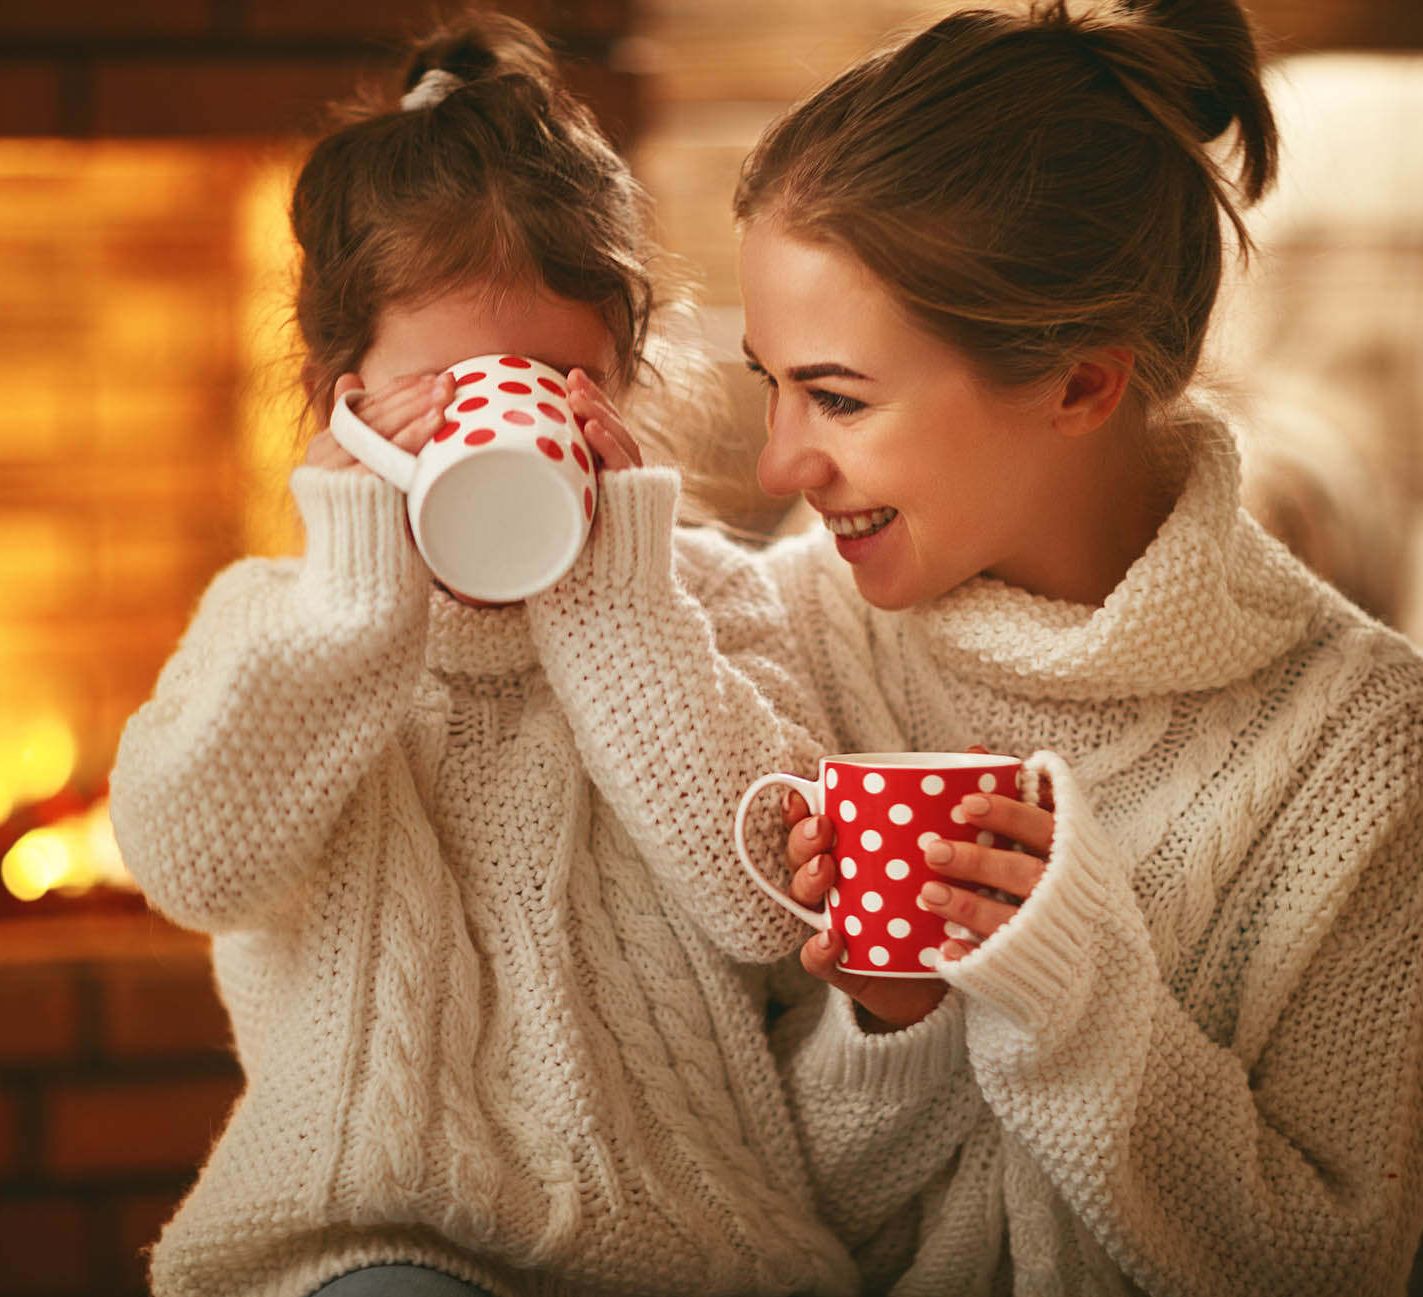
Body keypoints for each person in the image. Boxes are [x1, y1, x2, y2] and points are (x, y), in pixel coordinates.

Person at [719, 0, 1423, 1292]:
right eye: (768, 383)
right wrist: (891, 1024)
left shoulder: (1361, 743)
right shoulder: (791, 626)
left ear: (1080, 382)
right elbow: (737, 1211)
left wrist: (1067, 993)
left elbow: (1326, 1264)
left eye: (835, 397)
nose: (777, 464)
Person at [107, 14, 858, 1297]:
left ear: (618, 383)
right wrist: (357, 598)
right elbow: (196, 867)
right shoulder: (275, 624)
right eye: (450, 387)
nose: (505, 420)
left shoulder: (701, 606)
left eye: (554, 379)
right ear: (342, 395)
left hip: (696, 1249)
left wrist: (615, 605)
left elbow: (772, 910)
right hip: (381, 1235)